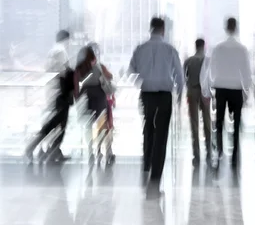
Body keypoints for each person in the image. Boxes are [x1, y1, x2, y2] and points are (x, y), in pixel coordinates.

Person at [129, 17, 184, 182]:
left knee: (148, 129)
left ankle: (146, 163)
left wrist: (141, 82)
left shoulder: (140, 48)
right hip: (164, 95)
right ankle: (156, 174)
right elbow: (179, 76)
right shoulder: (170, 49)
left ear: (150, 28)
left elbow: (131, 71)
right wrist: (179, 96)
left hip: (147, 94)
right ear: (163, 30)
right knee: (161, 134)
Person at [207, 17, 252, 169]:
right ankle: (235, 154)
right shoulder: (242, 49)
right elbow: (246, 72)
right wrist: (246, 90)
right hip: (236, 88)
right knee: (237, 123)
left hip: (221, 87)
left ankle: (219, 150)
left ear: (226, 28)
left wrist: (214, 83)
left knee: (219, 121)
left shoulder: (218, 48)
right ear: (236, 28)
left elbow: (212, 69)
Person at [24, 30, 73, 164]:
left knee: (56, 124)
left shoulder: (51, 51)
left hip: (53, 92)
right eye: (69, 41)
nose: (70, 44)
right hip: (60, 94)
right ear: (66, 39)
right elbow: (63, 72)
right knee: (56, 124)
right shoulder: (61, 51)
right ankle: (35, 147)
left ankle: (53, 150)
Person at [74, 45, 116, 165]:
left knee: (88, 127)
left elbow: (76, 88)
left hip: (86, 99)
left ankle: (90, 151)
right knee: (103, 125)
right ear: (92, 56)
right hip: (100, 99)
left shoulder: (78, 70)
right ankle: (102, 151)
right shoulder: (99, 67)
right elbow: (110, 76)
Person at [183, 38, 212, 167]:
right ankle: (209, 151)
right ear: (204, 46)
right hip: (205, 92)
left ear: (195, 46)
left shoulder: (189, 61)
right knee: (207, 121)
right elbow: (212, 78)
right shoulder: (208, 61)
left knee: (194, 123)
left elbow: (184, 77)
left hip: (192, 91)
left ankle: (196, 154)